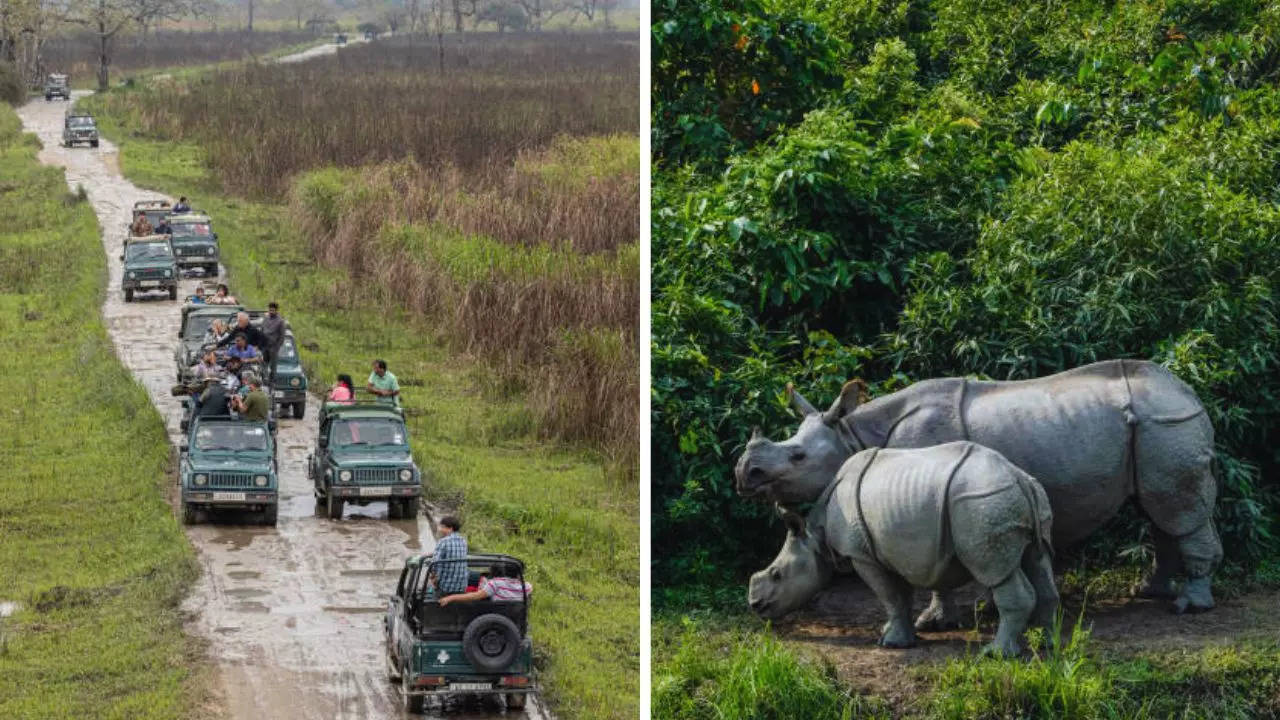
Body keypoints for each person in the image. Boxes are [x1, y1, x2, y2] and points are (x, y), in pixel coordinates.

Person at [430, 515, 468, 596]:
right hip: (462, 587)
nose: (441, 530)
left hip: (446, 588)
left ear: (450, 528)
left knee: (432, 587)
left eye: (443, 527)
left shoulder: (443, 542)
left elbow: (435, 564)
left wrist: (434, 578)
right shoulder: (463, 541)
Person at [438, 575, 533, 607]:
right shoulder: (527, 587)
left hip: (492, 611)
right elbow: (530, 587)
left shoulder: (496, 583)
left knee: (472, 580)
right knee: (478, 578)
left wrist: (451, 597)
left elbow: (473, 596)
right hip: (511, 612)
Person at [261, 302, 286, 379]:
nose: (271, 312)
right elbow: (262, 330)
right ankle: (264, 381)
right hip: (265, 345)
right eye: (270, 310)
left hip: (273, 347)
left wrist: (277, 347)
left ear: (276, 310)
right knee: (264, 364)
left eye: (273, 310)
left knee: (273, 367)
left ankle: (272, 383)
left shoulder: (280, 321)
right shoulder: (265, 318)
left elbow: (282, 336)